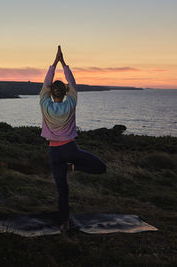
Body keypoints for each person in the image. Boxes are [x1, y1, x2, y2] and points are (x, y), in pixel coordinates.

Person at [39, 45, 107, 232]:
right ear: (66, 92)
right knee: (101, 167)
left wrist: (54, 63)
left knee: (63, 190)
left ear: (51, 94)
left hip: (54, 152)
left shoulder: (44, 104)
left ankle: (64, 223)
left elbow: (45, 85)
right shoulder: (71, 102)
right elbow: (73, 84)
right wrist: (64, 64)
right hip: (70, 148)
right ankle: (73, 166)